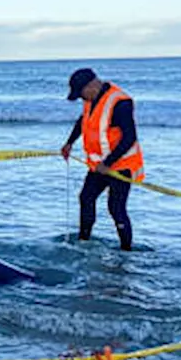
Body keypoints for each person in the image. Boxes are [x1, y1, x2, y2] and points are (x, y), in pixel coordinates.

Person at [60, 67, 144, 251]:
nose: (82, 99)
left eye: (81, 94)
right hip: (98, 165)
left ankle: (126, 250)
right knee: (86, 198)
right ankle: (84, 241)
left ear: (92, 86)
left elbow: (129, 137)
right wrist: (69, 143)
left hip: (121, 165)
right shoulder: (91, 99)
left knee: (116, 208)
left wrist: (108, 163)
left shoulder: (120, 102)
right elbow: (83, 121)